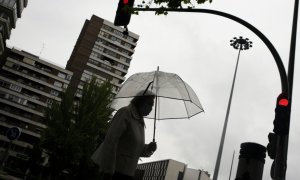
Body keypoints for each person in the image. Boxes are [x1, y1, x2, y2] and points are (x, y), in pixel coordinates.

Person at [91, 91, 157, 180]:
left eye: (152, 106)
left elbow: (133, 150)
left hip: (125, 172)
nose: (151, 108)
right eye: (149, 104)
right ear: (140, 101)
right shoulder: (125, 112)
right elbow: (111, 141)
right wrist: (108, 170)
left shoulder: (140, 121)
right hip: (112, 171)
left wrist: (148, 148)